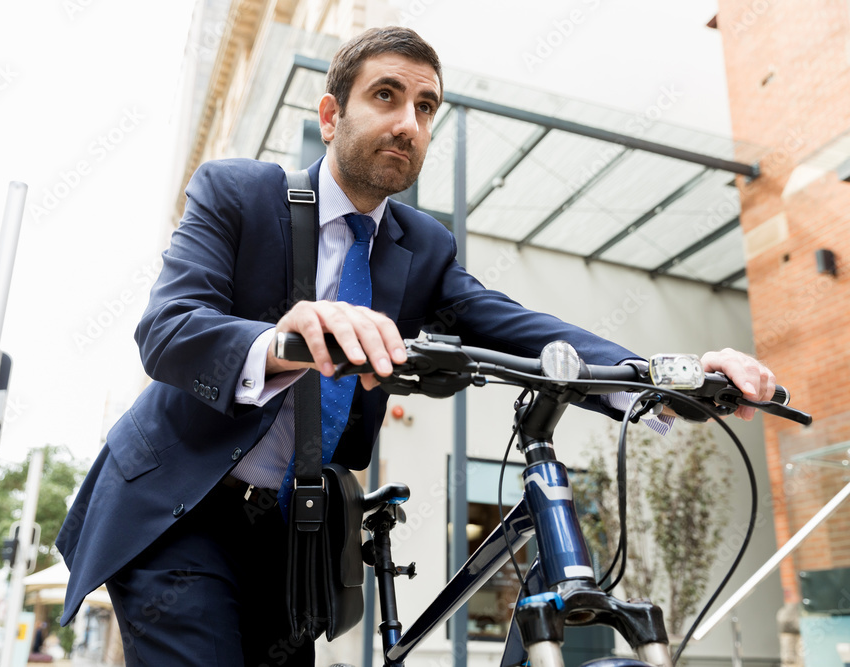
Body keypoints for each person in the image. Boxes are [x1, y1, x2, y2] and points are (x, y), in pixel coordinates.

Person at [56, 26, 775, 667]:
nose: (408, 122)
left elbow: (514, 324)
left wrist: (659, 374)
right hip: (183, 504)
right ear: (331, 114)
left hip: (293, 530)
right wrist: (289, 338)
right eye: (387, 96)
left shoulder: (421, 246)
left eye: (425, 108)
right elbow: (170, 328)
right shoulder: (240, 193)